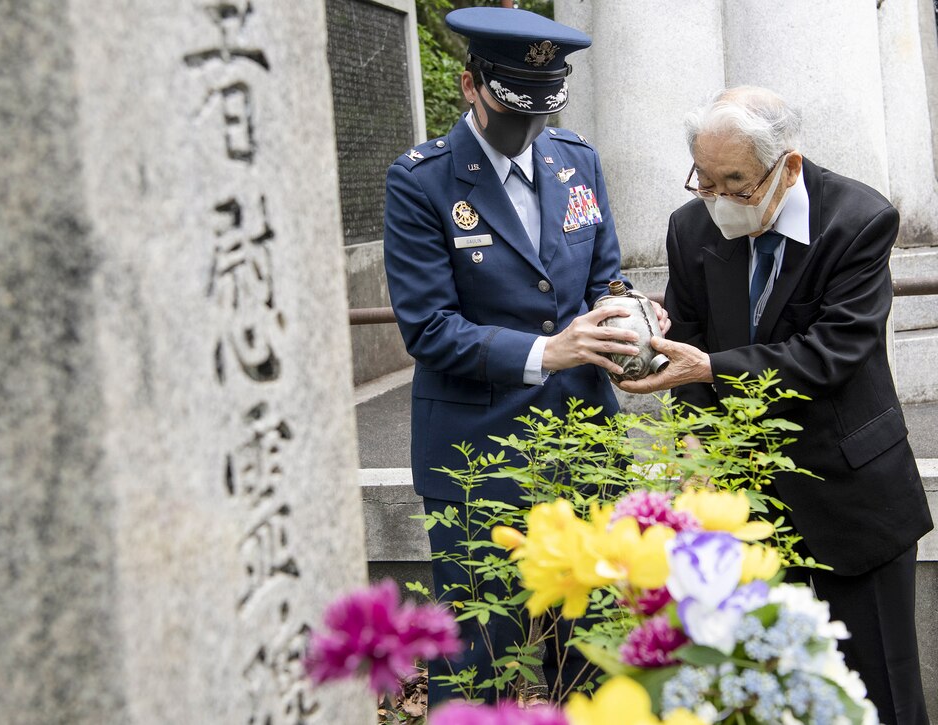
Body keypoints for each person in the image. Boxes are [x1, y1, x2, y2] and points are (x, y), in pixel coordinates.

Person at [618, 86, 933, 724]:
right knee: (761, 688)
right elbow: (693, 340)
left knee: (882, 687)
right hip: (744, 497)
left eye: (734, 182)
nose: (717, 199)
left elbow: (833, 351)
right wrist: (690, 434)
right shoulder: (691, 224)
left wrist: (709, 367)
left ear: (786, 166)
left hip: (851, 487)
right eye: (703, 180)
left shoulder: (859, 219)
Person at [383, 6, 667, 706]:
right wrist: (550, 348)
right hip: (478, 457)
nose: (529, 126)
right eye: (515, 103)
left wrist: (630, 314)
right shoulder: (422, 182)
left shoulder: (577, 162)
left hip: (582, 445)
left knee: (595, 649)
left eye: (543, 107)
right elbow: (429, 327)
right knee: (477, 659)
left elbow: (605, 274)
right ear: (471, 84)